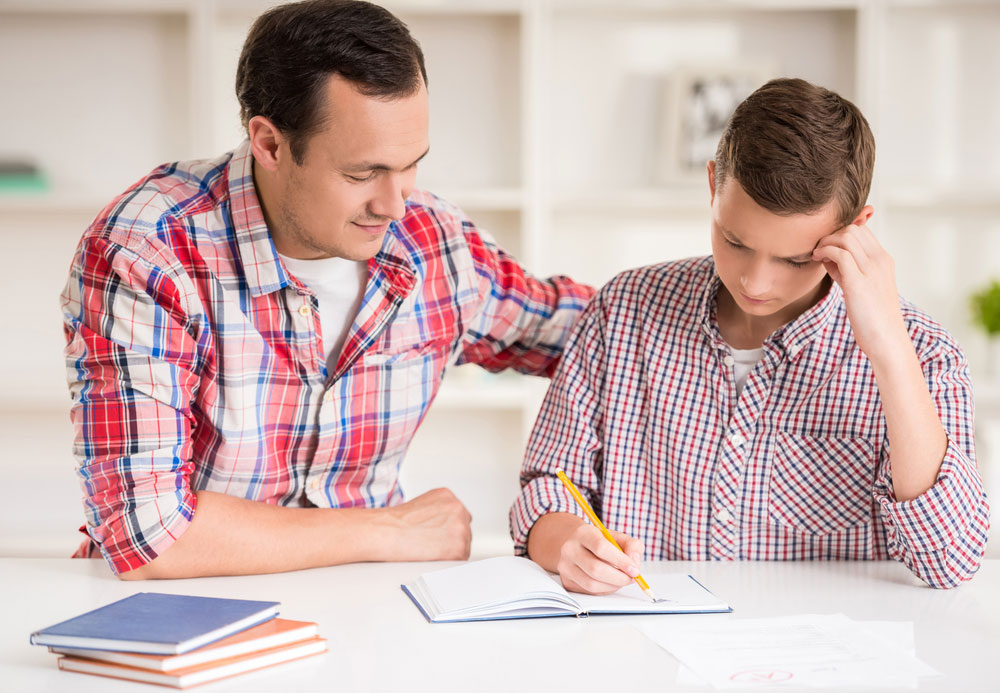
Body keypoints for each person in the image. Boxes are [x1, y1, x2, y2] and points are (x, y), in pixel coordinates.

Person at [59, 0, 592, 580]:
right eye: (362, 174)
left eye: (410, 165)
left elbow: (595, 331)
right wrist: (390, 529)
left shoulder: (433, 241)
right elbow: (149, 536)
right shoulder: (149, 251)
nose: (394, 205)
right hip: (183, 618)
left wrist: (709, 262)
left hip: (369, 617)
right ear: (269, 143)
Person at [511, 78, 990, 591]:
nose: (755, 282)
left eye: (795, 259)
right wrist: (568, 545)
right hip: (643, 653)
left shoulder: (923, 353)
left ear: (857, 228)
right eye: (735, 241)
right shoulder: (623, 312)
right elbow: (547, 491)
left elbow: (950, 563)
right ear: (714, 185)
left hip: (827, 664)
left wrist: (890, 353)